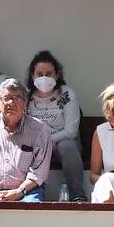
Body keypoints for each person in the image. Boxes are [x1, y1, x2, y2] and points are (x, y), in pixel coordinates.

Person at [0, 78, 51, 202]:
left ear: (25, 103)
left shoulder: (40, 130)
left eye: (17, 98)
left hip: (27, 191)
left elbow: (38, 173)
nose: (11, 103)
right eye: (6, 98)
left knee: (31, 208)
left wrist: (19, 192)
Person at [24, 50, 84, 201]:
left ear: (57, 75)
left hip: (61, 145)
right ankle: (25, 194)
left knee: (67, 146)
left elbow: (71, 131)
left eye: (49, 73)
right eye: (39, 73)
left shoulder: (67, 94)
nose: (44, 77)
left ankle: (77, 195)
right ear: (32, 76)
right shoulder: (26, 97)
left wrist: (48, 141)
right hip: (35, 147)